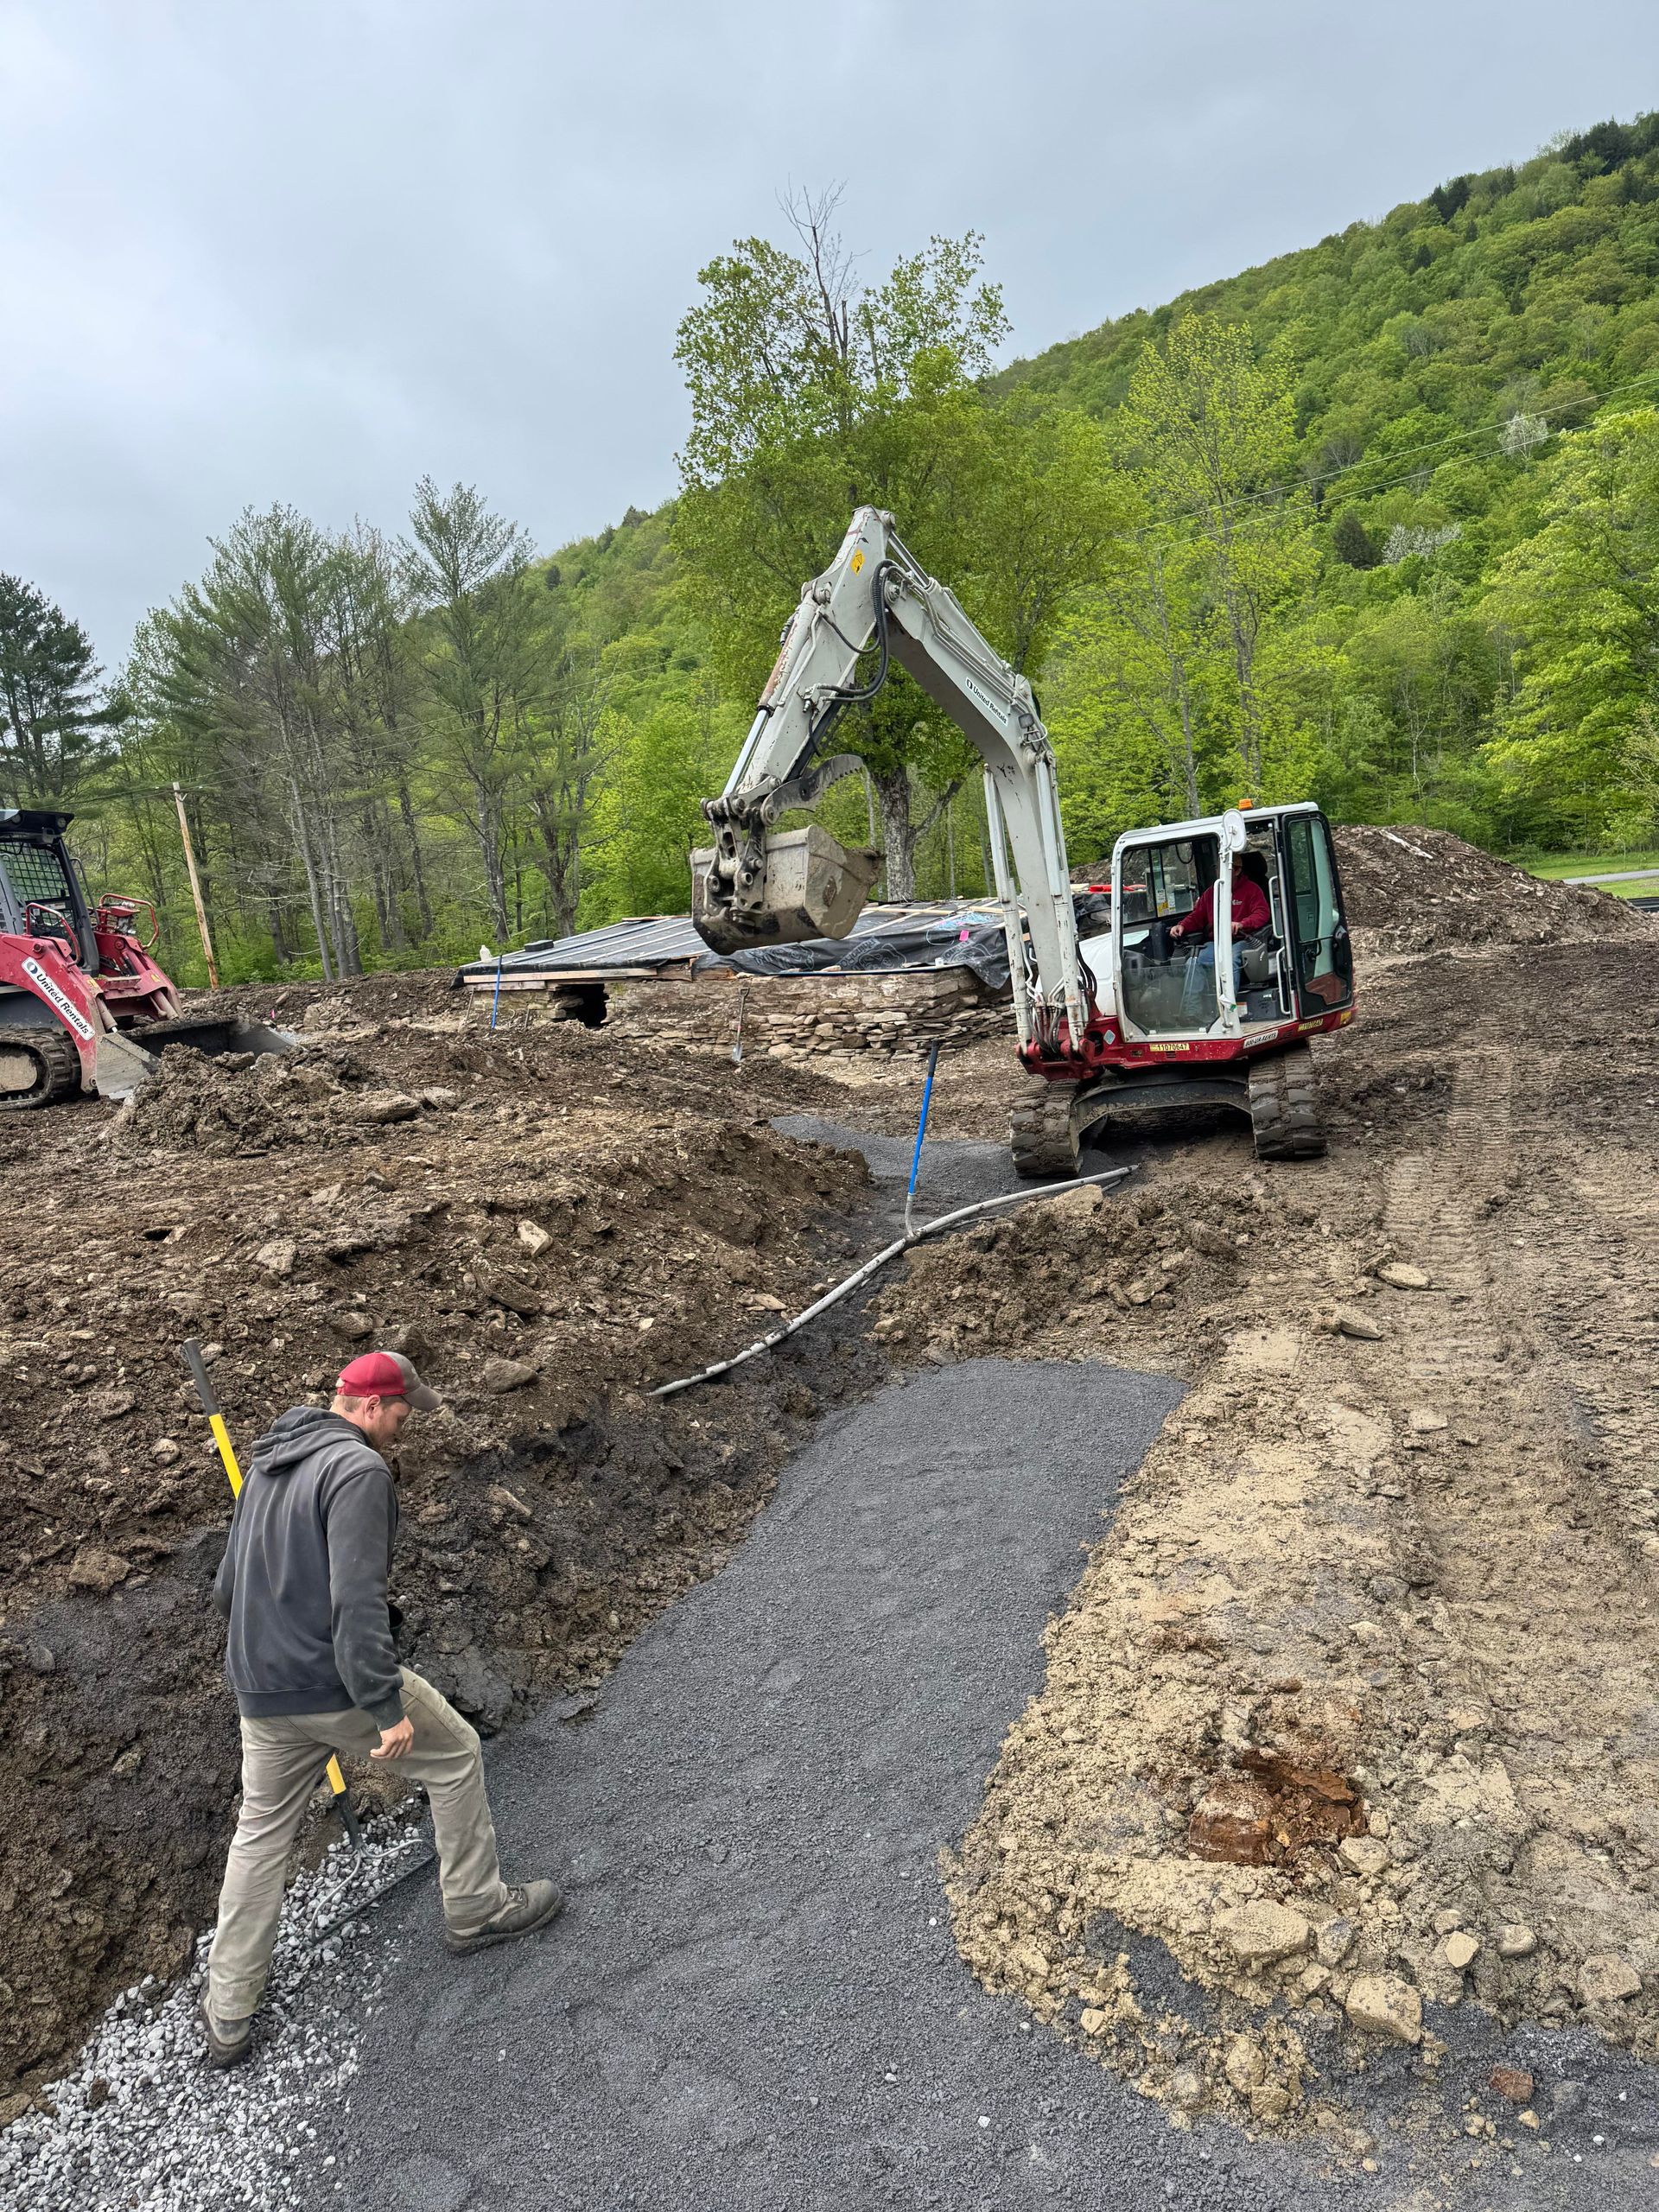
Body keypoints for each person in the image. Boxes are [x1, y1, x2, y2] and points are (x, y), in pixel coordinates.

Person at [200, 1351, 562, 2069]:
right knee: (455, 1754)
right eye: (401, 1410)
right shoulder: (359, 1471)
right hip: (334, 1682)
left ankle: (228, 2010)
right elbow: (355, 1600)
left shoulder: (270, 1463)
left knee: (262, 1833)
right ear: (369, 1406)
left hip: (260, 1686)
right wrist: (381, 1703)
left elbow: (224, 1590)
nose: (405, 1423)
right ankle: (476, 1908)